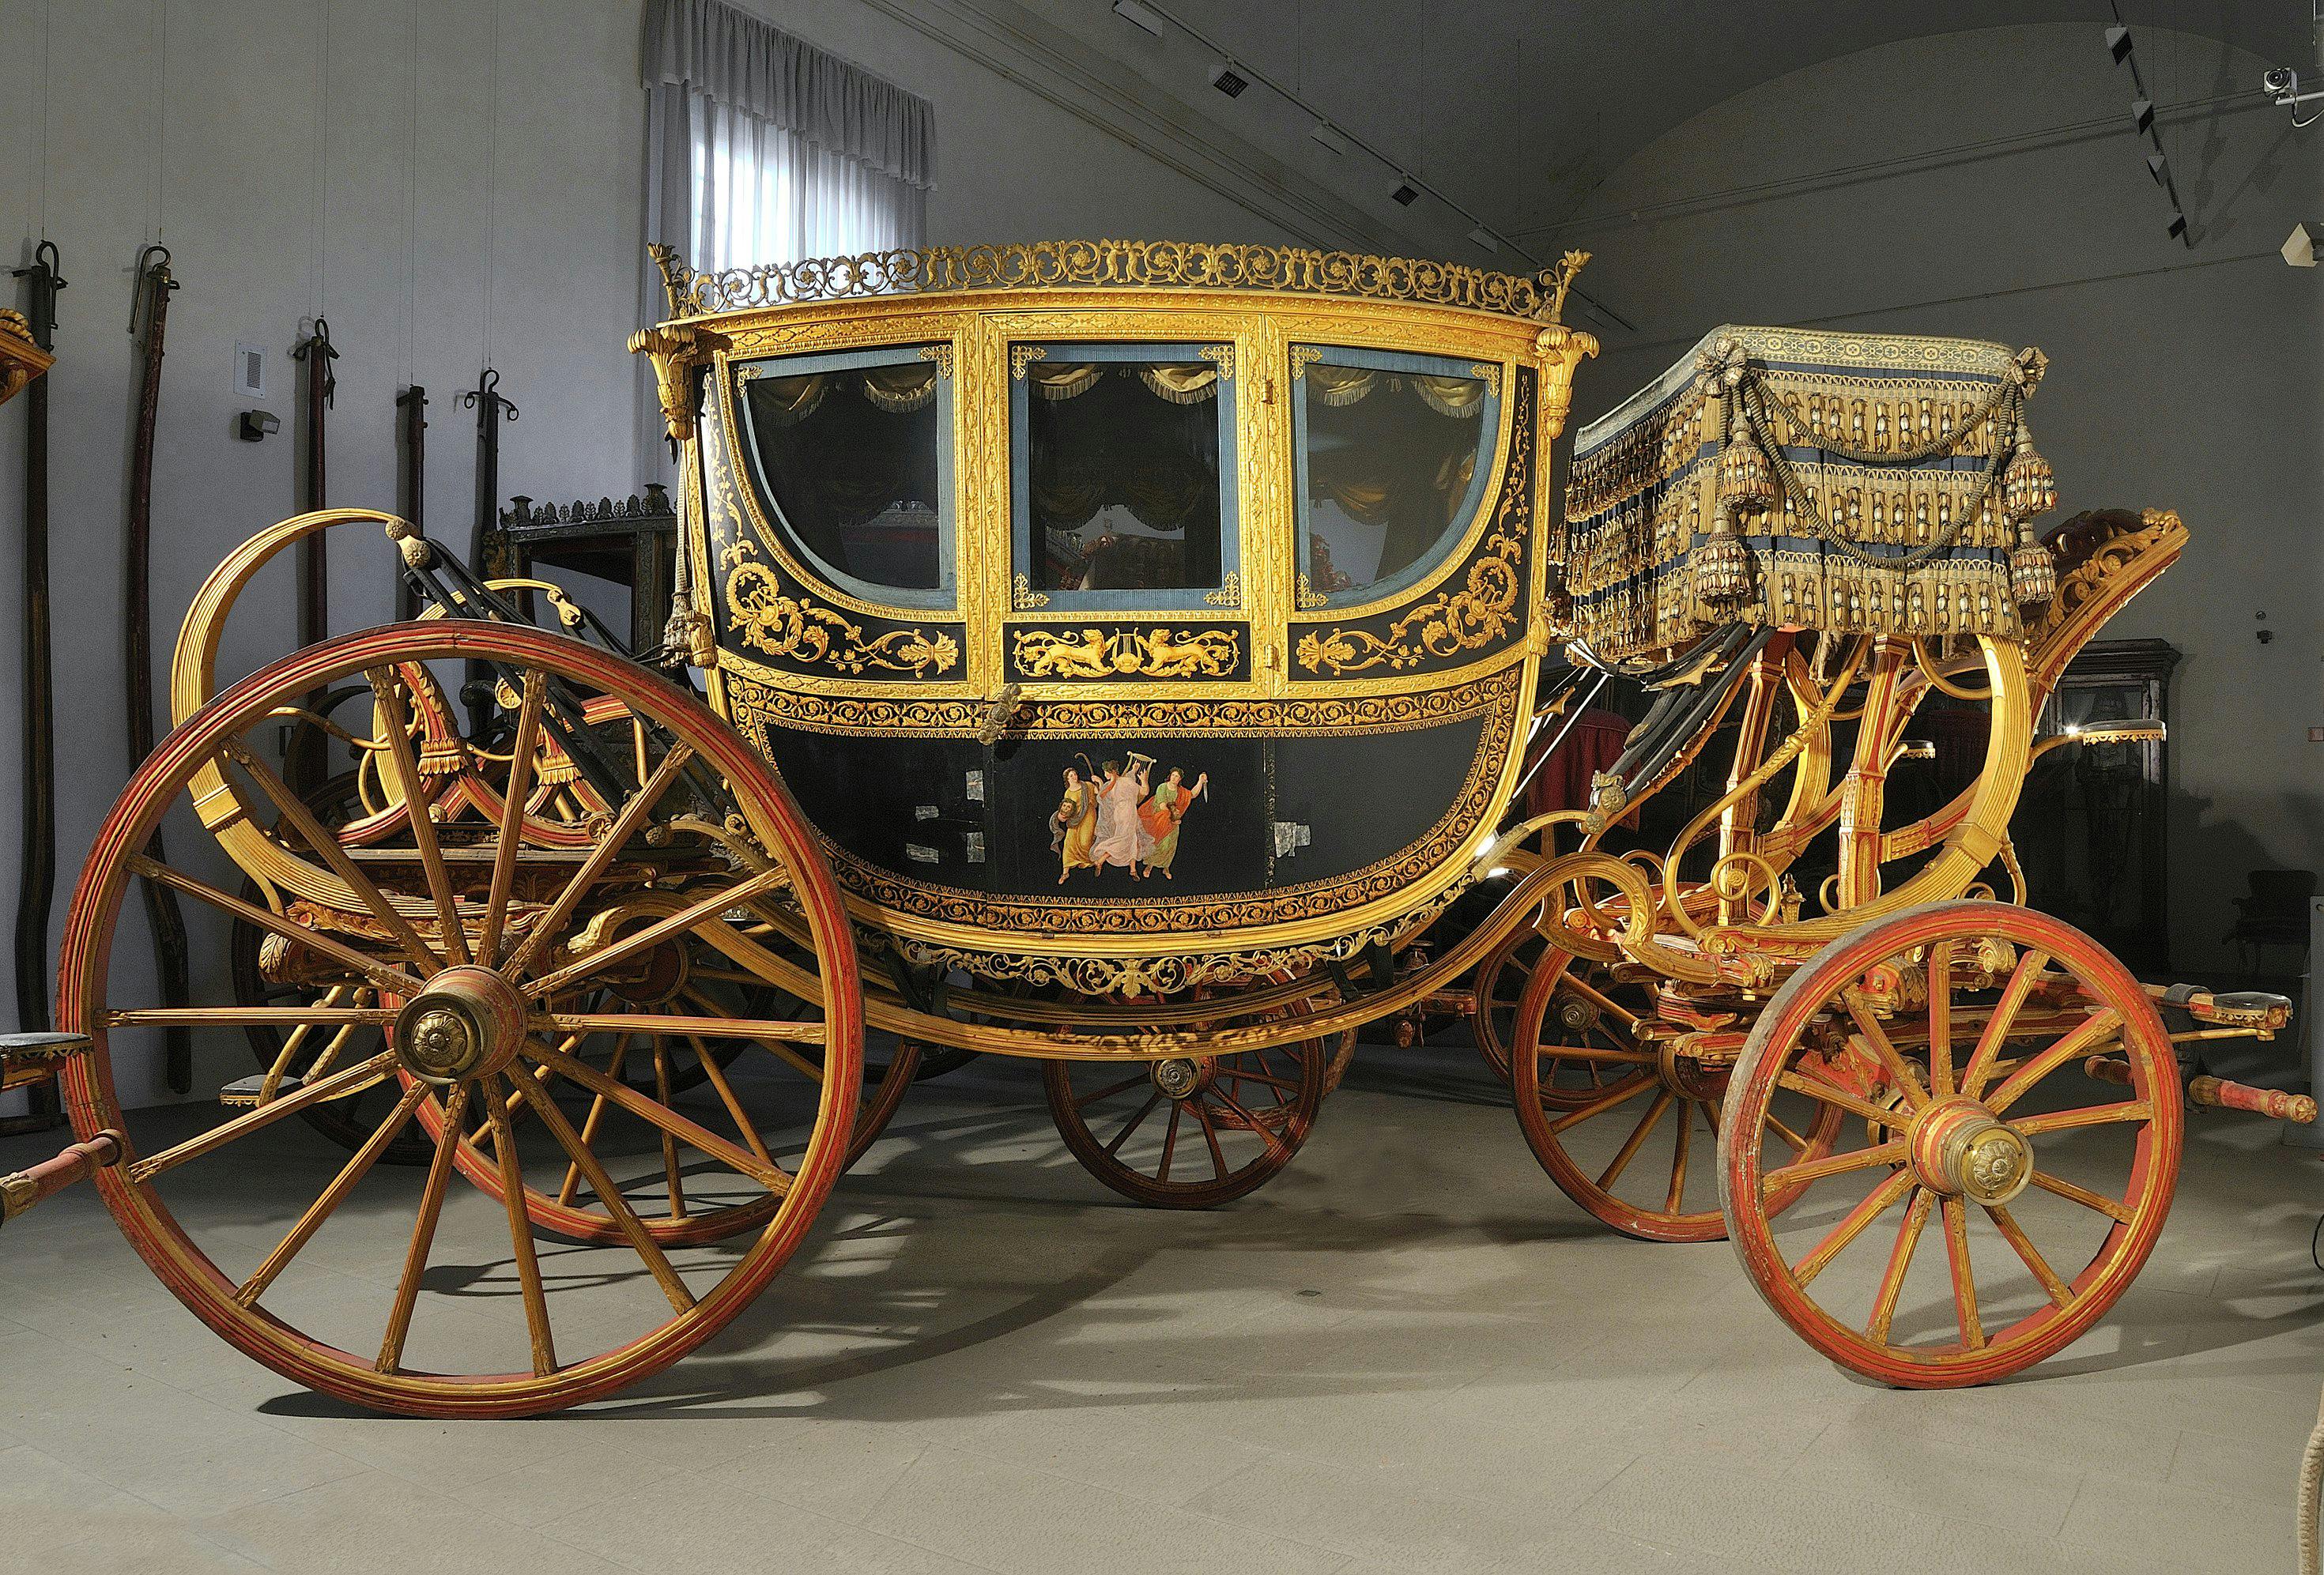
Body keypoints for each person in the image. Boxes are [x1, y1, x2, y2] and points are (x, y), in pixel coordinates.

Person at [1088, 758, 1154, 878]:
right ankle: (1101, 861)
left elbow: (1141, 790)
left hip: (1125, 812)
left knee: (1132, 838)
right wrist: (1143, 780)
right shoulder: (1114, 784)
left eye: (1106, 773)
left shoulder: (1117, 783)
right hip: (1126, 812)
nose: (1105, 775)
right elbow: (1144, 791)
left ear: (1112, 772)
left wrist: (1135, 772)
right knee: (1124, 838)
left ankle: (1133, 869)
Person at [1137, 767, 1207, 880]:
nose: (1175, 778)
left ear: (1180, 779)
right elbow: (1162, 806)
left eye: (1177, 777)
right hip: (1160, 819)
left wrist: (1200, 781)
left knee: (1170, 844)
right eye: (1173, 775)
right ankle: (1149, 866)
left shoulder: (1180, 791)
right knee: (1158, 842)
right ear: (1170, 776)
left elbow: (1192, 794)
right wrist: (1173, 815)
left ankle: (1166, 868)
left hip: (1174, 821)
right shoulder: (1162, 787)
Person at [1051, 766, 1098, 884]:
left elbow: (1100, 793)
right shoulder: (1067, 793)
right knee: (1068, 842)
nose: (1074, 777)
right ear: (1067, 779)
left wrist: (1099, 781)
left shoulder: (1087, 785)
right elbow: (1067, 807)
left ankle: (1092, 861)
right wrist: (1062, 815)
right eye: (1071, 776)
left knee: (1085, 842)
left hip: (1088, 815)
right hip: (1075, 819)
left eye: (1075, 774)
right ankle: (1065, 872)